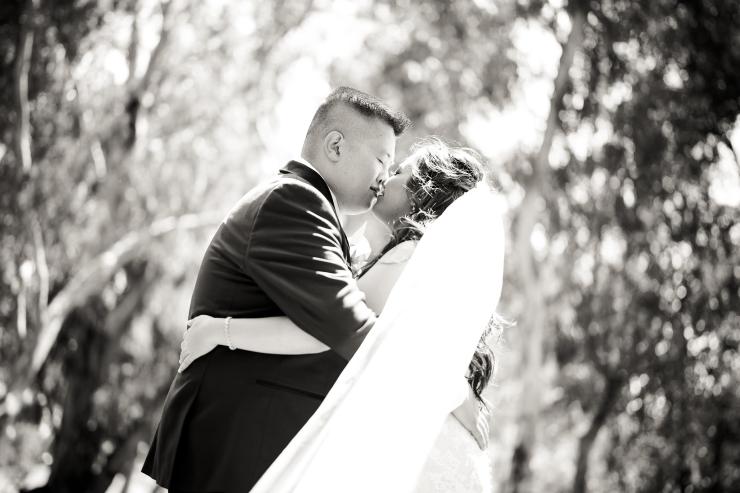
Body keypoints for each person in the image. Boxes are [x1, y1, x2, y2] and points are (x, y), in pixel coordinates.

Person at [179, 139, 507, 492]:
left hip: (417, 456)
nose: (386, 178)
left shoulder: (408, 257)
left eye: (399, 172)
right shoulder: (432, 271)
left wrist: (220, 331)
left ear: (424, 192)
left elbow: (326, 334)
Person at [142, 87, 411, 492]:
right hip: (231, 444)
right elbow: (351, 330)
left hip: (243, 443)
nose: (385, 177)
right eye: (382, 160)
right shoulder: (295, 202)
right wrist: (446, 388)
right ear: (336, 146)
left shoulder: (306, 205)